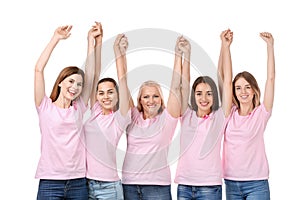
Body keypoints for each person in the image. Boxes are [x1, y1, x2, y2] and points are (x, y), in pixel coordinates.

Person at [34, 23, 101, 200]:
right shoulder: (45, 106)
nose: (75, 87)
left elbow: (92, 74)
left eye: (79, 84)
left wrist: (90, 41)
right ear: (60, 82)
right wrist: (55, 38)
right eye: (71, 82)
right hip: (50, 181)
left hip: (78, 182)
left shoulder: (79, 107)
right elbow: (38, 69)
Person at [121, 37, 183, 200]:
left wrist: (178, 54)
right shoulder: (133, 116)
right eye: (146, 96)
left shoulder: (167, 119)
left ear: (161, 99)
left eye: (155, 96)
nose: (151, 100)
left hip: (158, 187)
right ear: (140, 100)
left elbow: (176, 86)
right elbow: (123, 83)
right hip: (130, 185)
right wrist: (121, 53)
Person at [174, 30, 233, 200]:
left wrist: (226, 47)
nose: (204, 98)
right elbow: (183, 83)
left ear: (215, 95)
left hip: (209, 187)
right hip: (184, 186)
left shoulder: (219, 117)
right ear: (194, 95)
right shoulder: (187, 115)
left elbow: (227, 82)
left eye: (209, 93)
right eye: (199, 93)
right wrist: (186, 54)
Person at [222, 32, 275, 200]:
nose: (243, 92)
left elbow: (271, 79)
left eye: (247, 87)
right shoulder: (228, 113)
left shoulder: (261, 113)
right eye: (238, 88)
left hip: (257, 183)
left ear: (253, 90)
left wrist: (270, 47)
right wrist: (226, 47)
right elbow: (226, 78)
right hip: (231, 182)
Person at [84, 30, 131, 200]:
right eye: (101, 93)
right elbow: (92, 75)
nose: (105, 97)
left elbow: (124, 81)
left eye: (110, 92)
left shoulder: (120, 118)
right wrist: (96, 42)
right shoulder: (93, 112)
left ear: (117, 95)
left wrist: (118, 52)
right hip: (86, 184)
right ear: (96, 96)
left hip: (110, 187)